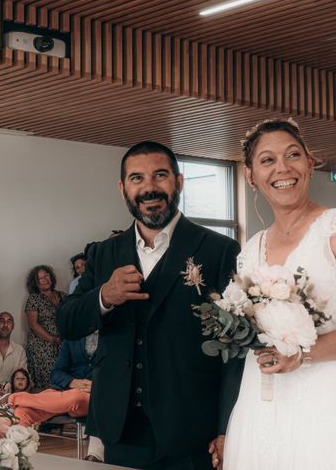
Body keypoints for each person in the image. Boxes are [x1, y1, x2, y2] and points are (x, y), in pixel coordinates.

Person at [57, 141, 242, 469]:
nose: (149, 187)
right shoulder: (102, 253)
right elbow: (67, 322)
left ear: (179, 182)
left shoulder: (219, 250)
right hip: (121, 425)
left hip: (191, 426)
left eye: (160, 175)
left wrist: (227, 426)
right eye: (137, 178)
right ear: (122, 188)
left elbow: (235, 351)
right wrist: (105, 296)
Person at [223, 118, 336, 470]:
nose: (282, 168)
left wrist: (302, 355)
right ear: (250, 175)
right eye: (267, 160)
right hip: (260, 397)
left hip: (326, 399)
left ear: (310, 164)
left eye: (293, 155)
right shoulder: (251, 249)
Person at [8, 332, 105, 462]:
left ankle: (15, 398)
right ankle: (19, 460)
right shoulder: (72, 338)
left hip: (93, 398)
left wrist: (99, 385)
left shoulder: (114, 339)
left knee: (75, 396)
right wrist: (73, 382)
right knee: (22, 411)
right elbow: (56, 374)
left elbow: (120, 376)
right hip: (64, 393)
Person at [24, 265, 65, 390]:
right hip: (42, 347)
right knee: (48, 386)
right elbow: (33, 325)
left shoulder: (63, 296)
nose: (45, 279)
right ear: (35, 283)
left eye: (46, 275)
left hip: (63, 344)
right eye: (40, 278)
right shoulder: (33, 299)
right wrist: (53, 339)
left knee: (64, 381)